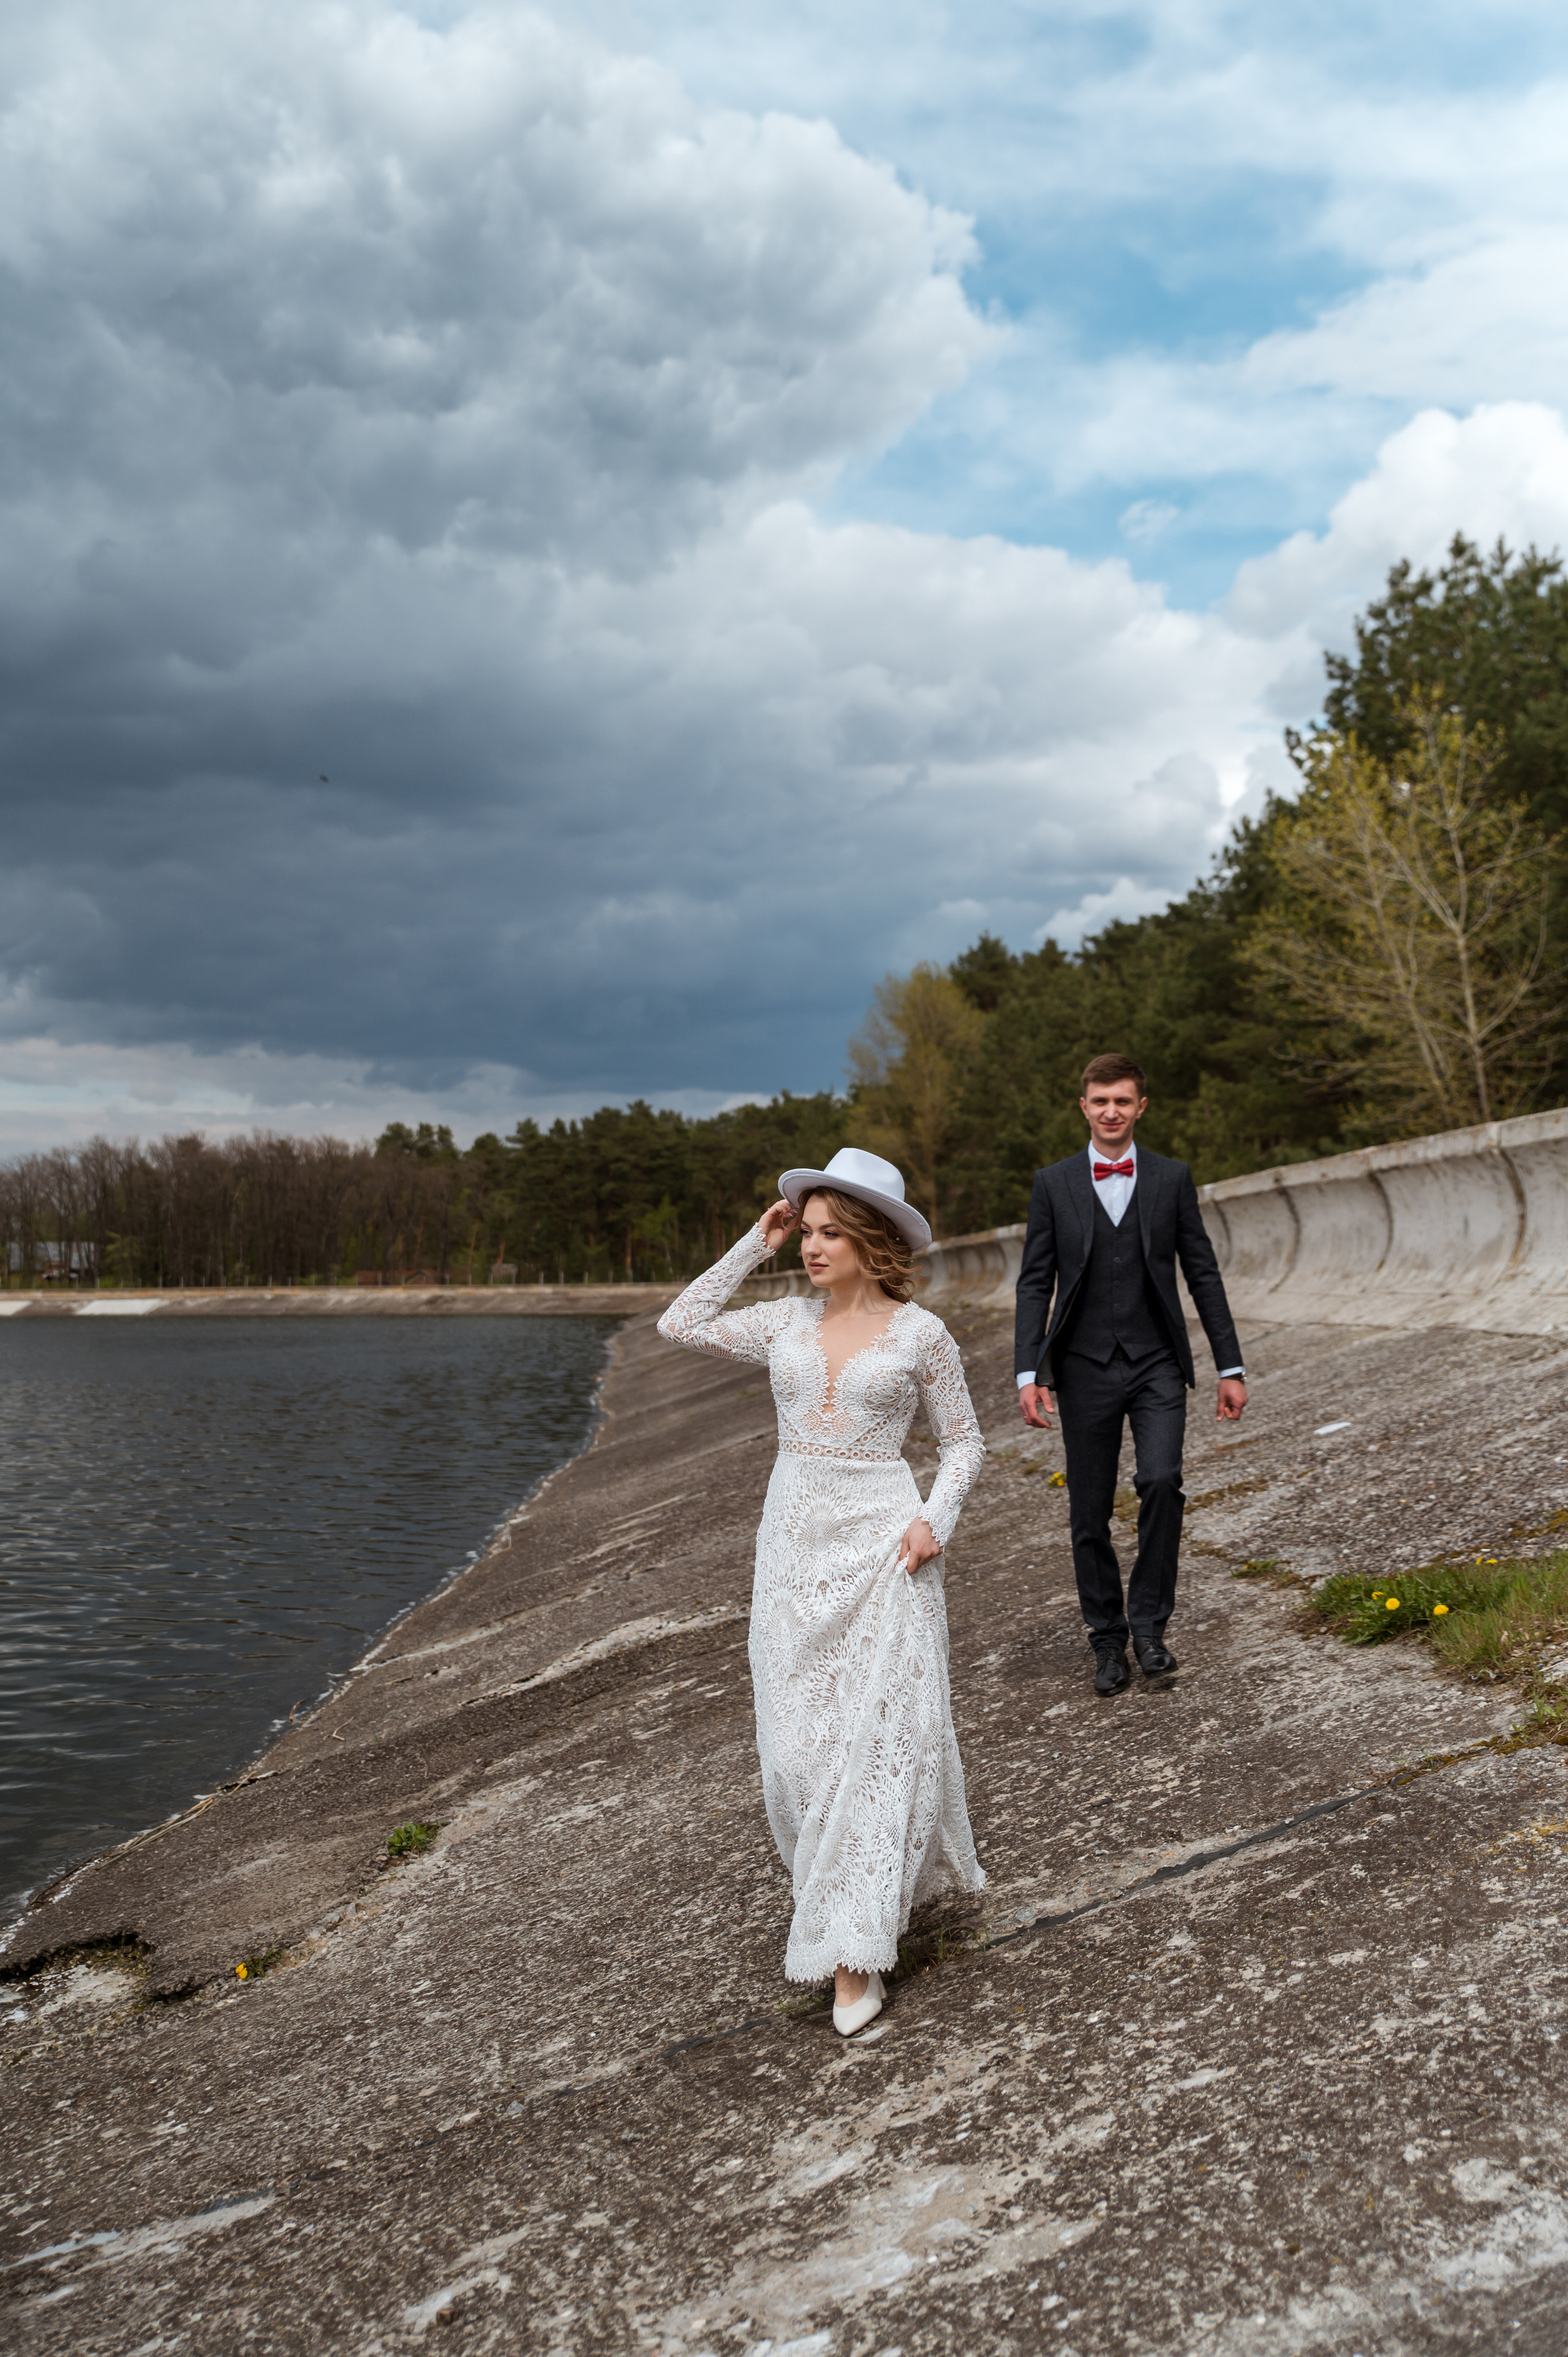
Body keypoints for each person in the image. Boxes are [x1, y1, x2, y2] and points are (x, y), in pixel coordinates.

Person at [657, 1146, 986, 2036]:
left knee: (875, 1739)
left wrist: (936, 1520)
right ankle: (850, 1895)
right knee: (799, 1751)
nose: (812, 1246)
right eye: (806, 1231)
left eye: (829, 1233)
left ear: (871, 1239)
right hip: (794, 1545)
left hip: (888, 1543)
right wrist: (751, 1244)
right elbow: (679, 1320)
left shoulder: (923, 1335)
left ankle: (854, 1952)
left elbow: (964, 1443)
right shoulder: (782, 1321)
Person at [1014, 1054, 1246, 1696]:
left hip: (1155, 1364)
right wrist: (1027, 1371)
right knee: (1088, 1512)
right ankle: (1107, 1640)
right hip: (1083, 1368)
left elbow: (1202, 1273)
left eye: (1122, 1100)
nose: (1110, 1110)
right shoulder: (1052, 1183)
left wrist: (1230, 1365)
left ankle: (1149, 1626)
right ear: (1083, 1106)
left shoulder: (1172, 1178)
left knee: (1162, 1479)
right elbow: (1035, 1282)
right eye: (1099, 1101)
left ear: (1140, 1106)